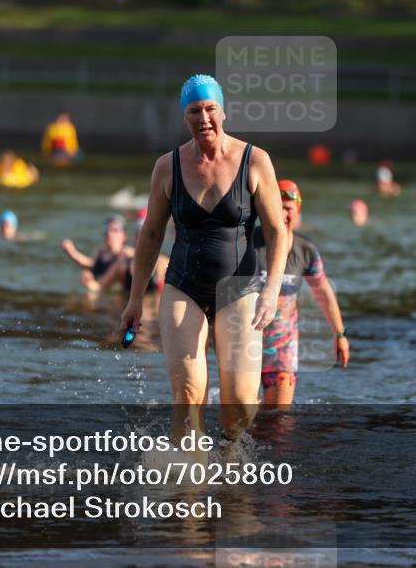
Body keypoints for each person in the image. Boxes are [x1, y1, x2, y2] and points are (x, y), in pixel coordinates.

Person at [119, 74, 287, 448]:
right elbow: (150, 235)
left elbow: (278, 231)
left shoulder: (255, 160)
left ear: (224, 112)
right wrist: (133, 300)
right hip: (183, 287)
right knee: (188, 393)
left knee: (241, 403)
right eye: (194, 110)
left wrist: (272, 289)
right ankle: (189, 482)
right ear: (184, 118)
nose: (204, 118)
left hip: (239, 288)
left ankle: (227, 451)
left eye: (211, 108)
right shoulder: (168, 166)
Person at [254, 180, 350, 408]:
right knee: (241, 417)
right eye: (279, 207)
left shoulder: (305, 250)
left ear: (297, 211)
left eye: (289, 208)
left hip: (281, 348)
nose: (284, 213)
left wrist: (340, 334)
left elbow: (323, 293)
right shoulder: (247, 242)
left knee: (278, 419)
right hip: (244, 342)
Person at [63, 215, 135, 293]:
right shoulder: (100, 250)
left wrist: (90, 283)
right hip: (98, 286)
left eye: (115, 230)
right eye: (107, 229)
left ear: (124, 235)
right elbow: (92, 264)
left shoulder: (127, 255)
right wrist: (72, 253)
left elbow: (99, 287)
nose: (109, 233)